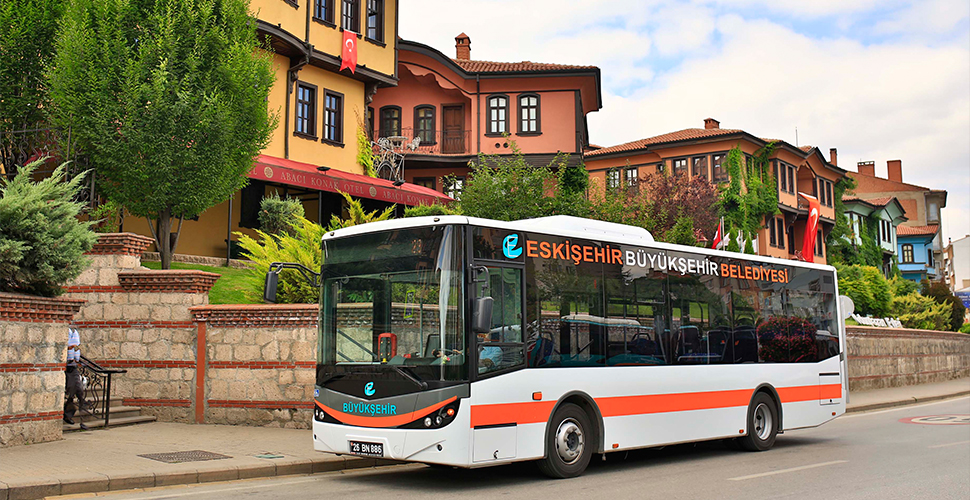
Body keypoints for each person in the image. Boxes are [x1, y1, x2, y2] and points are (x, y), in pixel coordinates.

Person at [63, 325, 87, 428]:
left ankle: (79, 410)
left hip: (73, 367)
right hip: (66, 367)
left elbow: (76, 346)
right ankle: (68, 414)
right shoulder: (65, 332)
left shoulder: (73, 332)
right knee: (71, 392)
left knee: (79, 389)